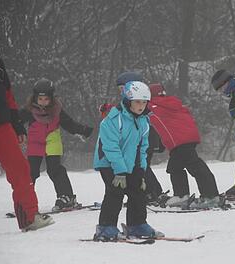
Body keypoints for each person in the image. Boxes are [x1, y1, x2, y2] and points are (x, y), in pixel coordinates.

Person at [0, 15, 53, 237]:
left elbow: (8, 95)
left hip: (1, 125)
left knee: (20, 167)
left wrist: (17, 124)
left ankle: (29, 217)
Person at [93, 81, 164, 241]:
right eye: (137, 102)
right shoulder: (113, 119)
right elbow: (111, 147)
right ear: (128, 100)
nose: (141, 105)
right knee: (115, 192)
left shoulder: (143, 120)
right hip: (109, 163)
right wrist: (120, 171)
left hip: (130, 163)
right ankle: (105, 227)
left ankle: (137, 224)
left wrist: (141, 170)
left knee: (138, 191)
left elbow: (142, 147)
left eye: (144, 102)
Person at [19, 78, 93, 210]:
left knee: (54, 169)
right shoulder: (29, 111)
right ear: (34, 98)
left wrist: (83, 130)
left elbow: (69, 124)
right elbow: (16, 121)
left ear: (51, 99)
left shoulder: (56, 111)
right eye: (40, 99)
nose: (43, 102)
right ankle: (25, 200)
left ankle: (66, 197)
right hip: (34, 143)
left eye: (46, 99)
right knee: (31, 171)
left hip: (52, 142)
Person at [148, 83, 222, 209]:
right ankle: (192, 196)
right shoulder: (173, 103)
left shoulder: (151, 106)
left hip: (179, 141)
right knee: (183, 166)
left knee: (186, 167)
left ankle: (203, 197)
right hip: (189, 138)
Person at [99, 72, 166, 205]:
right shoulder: (133, 101)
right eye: (120, 90)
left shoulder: (143, 100)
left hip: (143, 138)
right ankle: (151, 192)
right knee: (139, 166)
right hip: (137, 138)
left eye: (124, 88)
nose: (122, 92)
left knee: (141, 166)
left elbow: (130, 113)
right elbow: (125, 111)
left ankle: (152, 193)